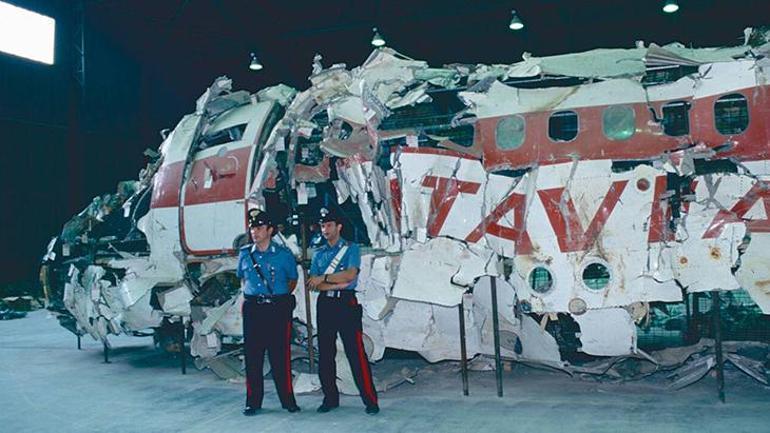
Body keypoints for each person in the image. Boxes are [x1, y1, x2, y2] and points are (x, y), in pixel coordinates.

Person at [307, 208, 379, 415]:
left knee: (356, 353)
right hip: (325, 305)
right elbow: (314, 283)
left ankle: (370, 400)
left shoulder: (351, 248)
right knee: (326, 354)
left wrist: (325, 279)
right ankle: (330, 398)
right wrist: (332, 283)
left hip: (346, 304)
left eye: (329, 225)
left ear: (339, 226)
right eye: (322, 226)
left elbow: (350, 274)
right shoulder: (319, 253)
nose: (325, 229)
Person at [237, 209, 300, 416]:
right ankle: (253, 402)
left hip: (277, 309)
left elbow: (292, 280)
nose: (255, 232)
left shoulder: (284, 255)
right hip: (253, 309)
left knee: (280, 356)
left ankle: (288, 400)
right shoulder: (245, 254)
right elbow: (243, 279)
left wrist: (275, 298)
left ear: (270, 230)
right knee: (253, 357)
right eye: (252, 228)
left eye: (259, 227)